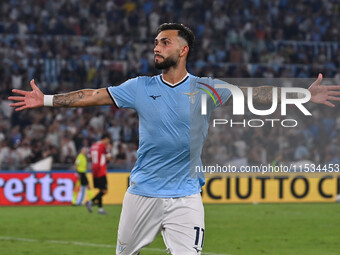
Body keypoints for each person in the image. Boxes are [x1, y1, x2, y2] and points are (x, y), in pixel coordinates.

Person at [8, 23, 340, 254]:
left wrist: (302, 95)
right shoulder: (139, 86)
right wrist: (48, 99)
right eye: (156, 41)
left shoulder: (208, 88)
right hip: (142, 194)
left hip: (186, 197)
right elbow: (93, 94)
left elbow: (256, 94)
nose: (156, 45)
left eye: (164, 42)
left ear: (183, 50)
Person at [87, 133, 112, 215]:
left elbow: (90, 158)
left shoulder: (93, 145)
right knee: (104, 191)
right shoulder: (103, 146)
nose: (108, 142)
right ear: (105, 139)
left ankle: (100, 209)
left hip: (94, 171)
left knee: (100, 190)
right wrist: (109, 150)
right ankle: (90, 202)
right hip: (101, 171)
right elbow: (108, 158)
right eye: (108, 140)